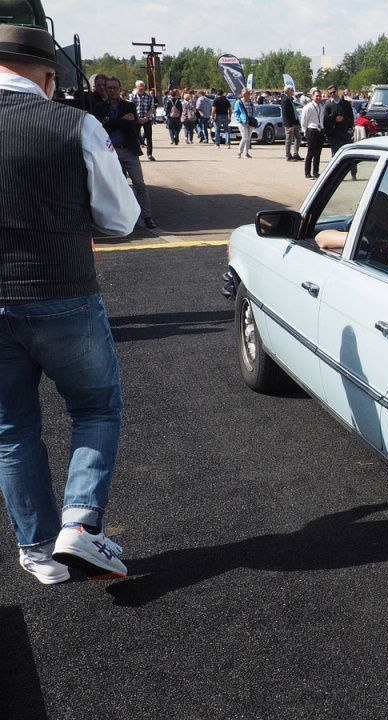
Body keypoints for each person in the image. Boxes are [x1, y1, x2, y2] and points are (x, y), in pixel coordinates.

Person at [0, 25, 139, 584]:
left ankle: (37, 549)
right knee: (96, 409)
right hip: (62, 293)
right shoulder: (74, 123)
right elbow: (120, 219)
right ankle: (80, 525)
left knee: (12, 429)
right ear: (48, 76)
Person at [92, 77, 156, 230]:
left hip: (129, 150)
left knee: (139, 184)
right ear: (105, 89)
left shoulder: (129, 105)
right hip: (111, 152)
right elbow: (101, 127)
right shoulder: (99, 107)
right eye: (109, 88)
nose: (113, 91)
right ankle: (123, 217)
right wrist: (120, 120)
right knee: (118, 186)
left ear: (120, 89)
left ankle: (147, 216)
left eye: (115, 88)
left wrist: (110, 120)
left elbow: (130, 124)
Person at [323, 84, 354, 157]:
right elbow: (326, 119)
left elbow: (351, 116)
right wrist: (334, 119)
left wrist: (350, 128)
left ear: (337, 91)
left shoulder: (345, 103)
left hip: (345, 132)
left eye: (334, 92)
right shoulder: (328, 105)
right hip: (334, 133)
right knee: (335, 155)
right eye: (330, 93)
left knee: (348, 154)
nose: (332, 94)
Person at [128, 80, 155, 160]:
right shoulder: (133, 96)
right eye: (140, 86)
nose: (142, 87)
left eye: (143, 86)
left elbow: (151, 108)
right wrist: (137, 118)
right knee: (135, 137)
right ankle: (135, 153)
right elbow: (131, 108)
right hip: (136, 119)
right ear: (136, 87)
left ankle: (149, 154)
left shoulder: (149, 96)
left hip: (146, 119)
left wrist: (146, 117)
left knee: (148, 137)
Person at [301, 87, 325, 179]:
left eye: (319, 96)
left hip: (320, 131)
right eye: (316, 96)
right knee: (310, 152)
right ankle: (307, 172)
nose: (318, 98)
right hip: (312, 130)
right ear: (312, 97)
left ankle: (316, 172)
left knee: (318, 153)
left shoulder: (321, 107)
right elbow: (304, 121)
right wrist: (305, 131)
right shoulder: (308, 107)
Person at [232, 88, 255, 158]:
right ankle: (239, 152)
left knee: (248, 138)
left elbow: (253, 110)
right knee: (245, 137)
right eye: (247, 93)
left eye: (249, 93)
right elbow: (236, 112)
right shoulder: (239, 102)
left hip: (250, 121)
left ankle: (246, 153)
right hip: (243, 121)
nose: (248, 95)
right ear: (243, 94)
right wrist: (239, 119)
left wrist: (253, 118)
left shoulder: (250, 102)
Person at [280, 86, 301, 161]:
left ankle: (295, 154)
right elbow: (285, 114)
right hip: (289, 124)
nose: (293, 91)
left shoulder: (290, 99)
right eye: (292, 90)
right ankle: (288, 156)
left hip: (294, 122)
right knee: (289, 139)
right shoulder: (285, 100)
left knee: (298, 138)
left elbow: (294, 112)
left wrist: (297, 123)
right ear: (287, 91)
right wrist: (289, 125)